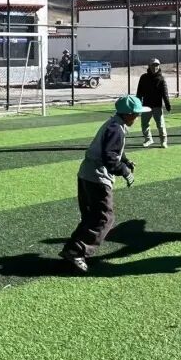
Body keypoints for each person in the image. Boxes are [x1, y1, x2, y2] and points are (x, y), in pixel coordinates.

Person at [60, 95, 145, 272]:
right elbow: (110, 158)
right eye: (136, 114)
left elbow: (113, 150)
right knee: (104, 217)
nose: (137, 118)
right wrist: (125, 171)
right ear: (128, 114)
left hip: (86, 174)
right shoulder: (116, 129)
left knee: (91, 216)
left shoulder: (113, 124)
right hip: (97, 178)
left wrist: (125, 161)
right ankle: (77, 251)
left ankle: (72, 249)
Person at [136, 58, 172, 148]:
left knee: (160, 125)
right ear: (149, 66)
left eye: (157, 65)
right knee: (144, 124)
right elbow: (139, 92)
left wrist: (167, 104)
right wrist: (138, 104)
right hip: (146, 106)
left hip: (157, 106)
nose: (155, 67)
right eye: (153, 65)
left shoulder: (161, 79)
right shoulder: (143, 77)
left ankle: (163, 141)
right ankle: (148, 139)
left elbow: (165, 93)